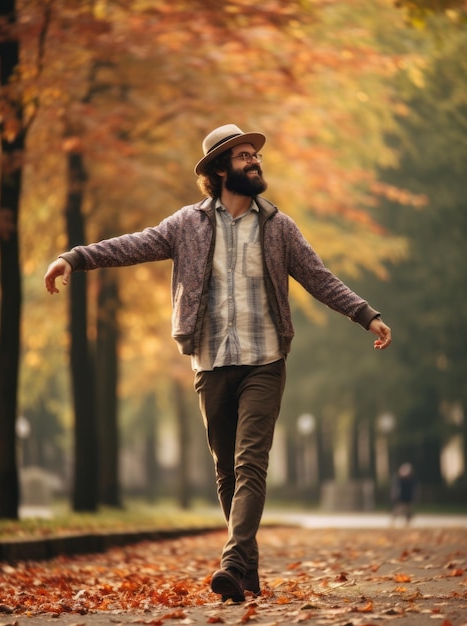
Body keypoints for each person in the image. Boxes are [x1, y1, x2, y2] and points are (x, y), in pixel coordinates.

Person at [44, 123, 392, 602]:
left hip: (264, 360)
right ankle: (247, 569)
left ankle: (230, 560)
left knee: (251, 463)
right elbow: (133, 244)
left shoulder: (279, 227)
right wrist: (74, 258)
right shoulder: (187, 225)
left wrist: (365, 314)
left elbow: (319, 277)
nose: (255, 161)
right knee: (227, 471)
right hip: (210, 361)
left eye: (255, 155)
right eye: (244, 155)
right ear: (219, 169)